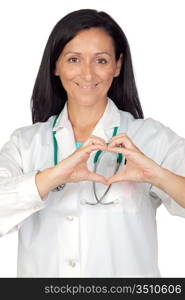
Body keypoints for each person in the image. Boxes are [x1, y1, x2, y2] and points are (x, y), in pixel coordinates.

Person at [0, 8, 185, 278]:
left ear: (117, 65)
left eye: (100, 60)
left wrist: (156, 175)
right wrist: (50, 178)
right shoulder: (25, 144)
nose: (87, 75)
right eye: (74, 59)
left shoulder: (150, 138)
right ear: (55, 65)